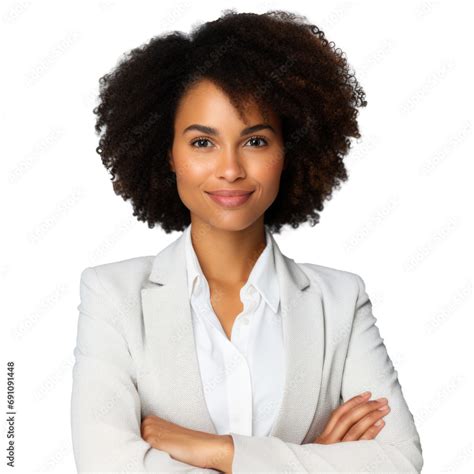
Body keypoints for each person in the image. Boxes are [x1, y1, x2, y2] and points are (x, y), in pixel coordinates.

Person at [71, 9, 423, 473]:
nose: (231, 168)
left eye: (255, 141)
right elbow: (106, 466)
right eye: (202, 143)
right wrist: (308, 458)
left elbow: (398, 462)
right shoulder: (112, 296)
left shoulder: (340, 301)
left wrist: (219, 452)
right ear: (168, 154)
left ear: (289, 151)